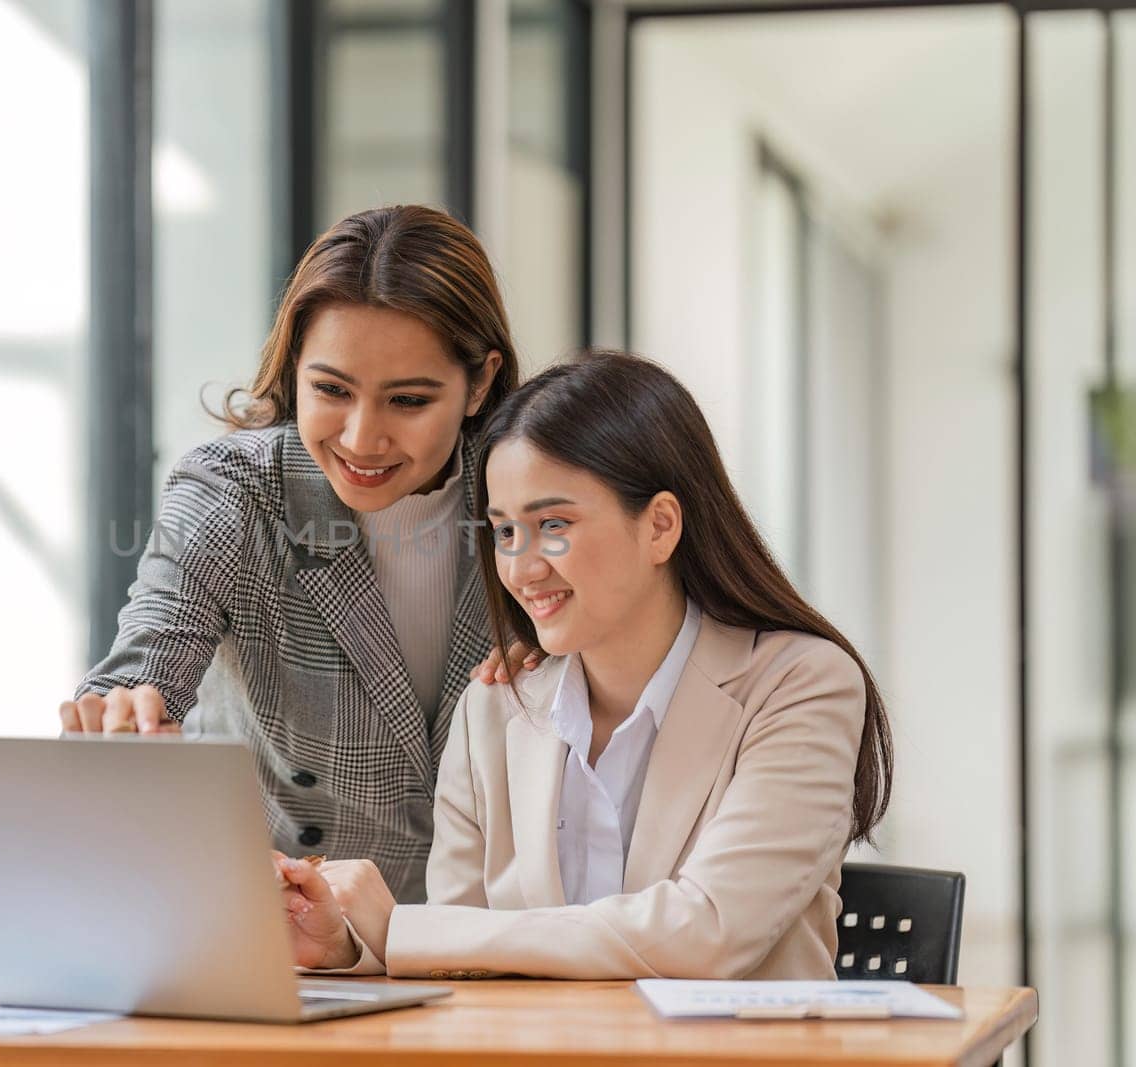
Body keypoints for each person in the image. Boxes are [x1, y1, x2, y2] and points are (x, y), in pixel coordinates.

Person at [279, 350, 894, 979]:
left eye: (553, 524)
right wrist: (353, 949)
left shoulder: (801, 685)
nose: (521, 568)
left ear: (659, 526)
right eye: (505, 532)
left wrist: (406, 931)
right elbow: (457, 964)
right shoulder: (492, 709)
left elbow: (710, 932)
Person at [60, 205, 530, 904]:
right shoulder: (234, 488)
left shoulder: (533, 494)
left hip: (490, 931)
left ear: (481, 382)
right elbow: (146, 658)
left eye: (407, 400)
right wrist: (126, 715)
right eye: (331, 390)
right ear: (295, 368)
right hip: (283, 934)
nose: (362, 438)